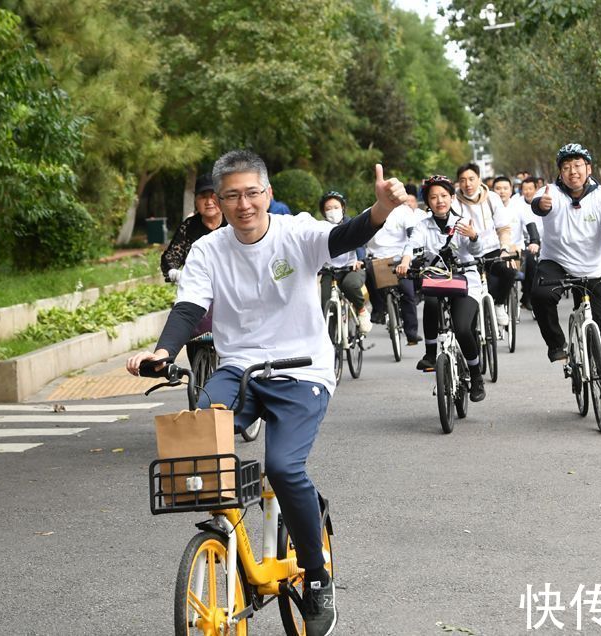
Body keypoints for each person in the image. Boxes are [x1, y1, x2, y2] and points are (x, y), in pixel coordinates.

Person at [127, 150, 408, 634]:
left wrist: (379, 210)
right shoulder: (208, 250)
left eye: (252, 193)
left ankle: (317, 578)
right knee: (200, 444)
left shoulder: (295, 232)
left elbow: (342, 236)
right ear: (218, 200)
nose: (243, 204)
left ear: (268, 194)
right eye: (231, 195)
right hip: (239, 369)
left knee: (282, 465)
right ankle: (230, 540)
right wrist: (163, 351)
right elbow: (190, 308)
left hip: (302, 370)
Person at [530, 143, 601, 407]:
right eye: (566, 167)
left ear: (588, 168)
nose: (572, 172)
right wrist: (541, 205)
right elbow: (538, 205)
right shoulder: (549, 193)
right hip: (556, 262)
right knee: (539, 295)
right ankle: (556, 344)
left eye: (578, 166)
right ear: (560, 172)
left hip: (592, 268)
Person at [396, 175, 487, 402]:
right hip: (437, 280)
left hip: (465, 281)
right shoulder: (421, 226)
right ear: (427, 201)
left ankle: (476, 376)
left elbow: (477, 251)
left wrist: (474, 236)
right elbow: (412, 245)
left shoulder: (463, 222)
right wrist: (405, 261)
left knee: (463, 328)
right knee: (432, 301)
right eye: (434, 197)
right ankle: (430, 353)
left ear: (452, 198)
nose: (439, 201)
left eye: (444, 196)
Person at [452, 162, 517, 328]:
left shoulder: (492, 198)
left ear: (479, 179)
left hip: (491, 250)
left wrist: (504, 249)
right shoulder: (454, 203)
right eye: (463, 180)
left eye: (471, 179)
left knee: (509, 269)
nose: (467, 184)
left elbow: (503, 228)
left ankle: (499, 305)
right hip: (467, 255)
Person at [365, 191, 425, 345]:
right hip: (377, 260)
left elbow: (412, 233)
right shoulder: (368, 213)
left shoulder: (404, 212)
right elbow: (360, 238)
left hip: (400, 259)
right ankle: (378, 311)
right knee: (368, 273)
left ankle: (411, 333)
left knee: (407, 293)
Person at [319, 191, 372, 334]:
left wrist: (360, 260)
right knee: (324, 303)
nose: (332, 211)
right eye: (328, 208)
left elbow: (359, 242)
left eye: (336, 207)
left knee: (350, 285)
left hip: (351, 268)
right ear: (323, 212)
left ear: (342, 208)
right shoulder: (319, 228)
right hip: (329, 271)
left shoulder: (351, 223)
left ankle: (361, 310)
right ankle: (330, 341)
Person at [160, 174, 226, 281]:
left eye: (213, 196)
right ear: (196, 201)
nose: (209, 202)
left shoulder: (233, 223)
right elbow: (170, 258)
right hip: (197, 286)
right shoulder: (188, 227)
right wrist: (173, 272)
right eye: (203, 197)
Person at [507, 176, 543, 311]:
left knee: (531, 265)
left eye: (530, 189)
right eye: (524, 189)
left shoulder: (540, 202)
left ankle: (527, 296)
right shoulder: (516, 203)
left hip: (521, 246)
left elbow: (530, 224)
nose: (527, 192)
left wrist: (535, 241)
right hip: (501, 249)